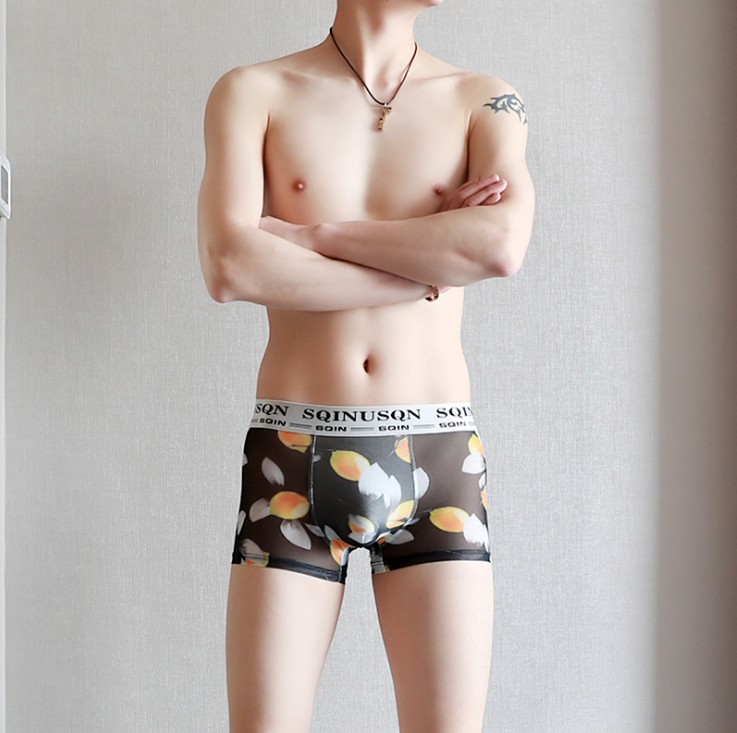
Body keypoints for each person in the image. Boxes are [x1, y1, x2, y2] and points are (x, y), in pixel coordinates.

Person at [197, 1, 534, 730]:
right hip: (292, 452)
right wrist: (426, 263)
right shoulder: (252, 91)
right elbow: (230, 266)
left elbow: (499, 247)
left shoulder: (484, 100)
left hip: (437, 453)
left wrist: (314, 235)